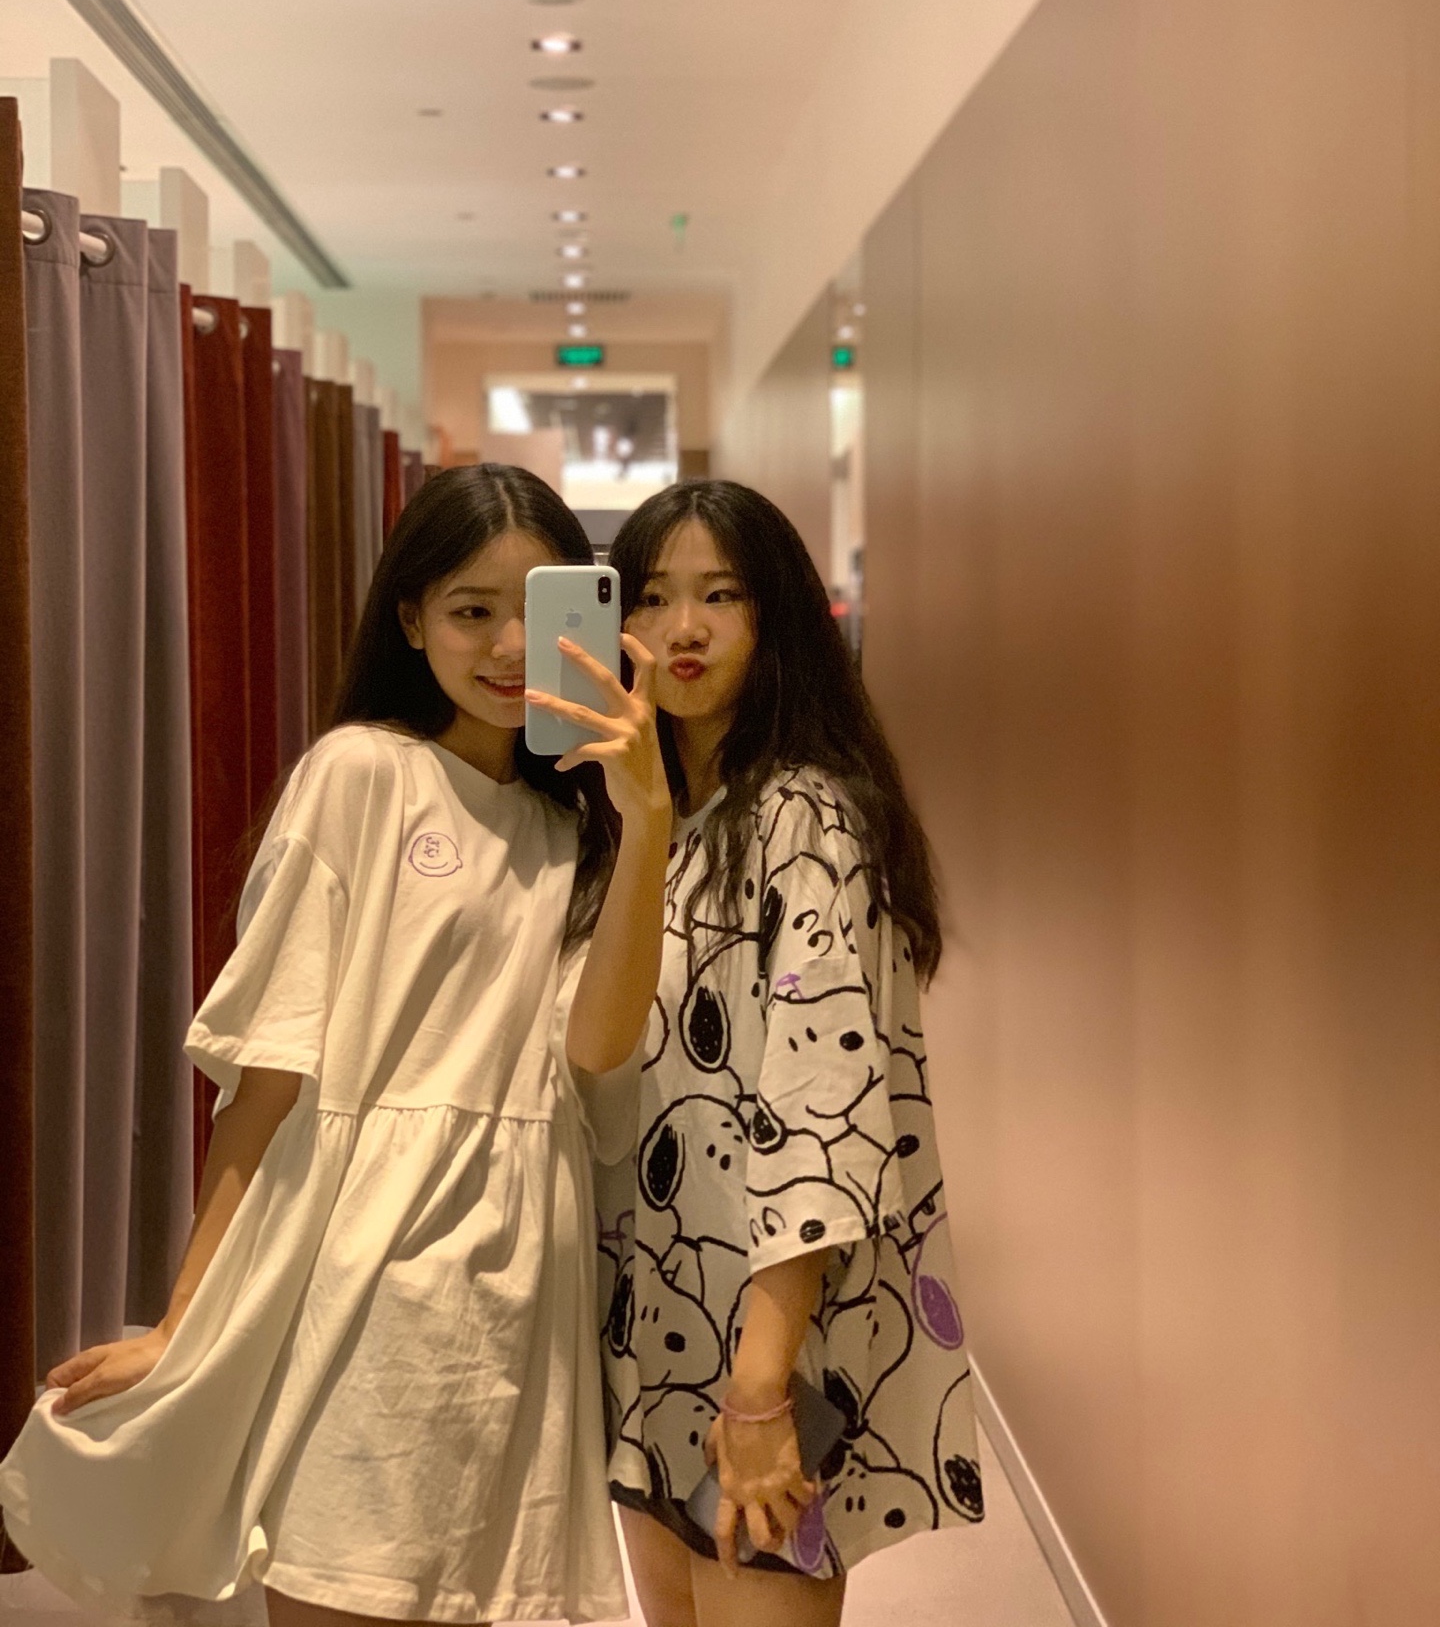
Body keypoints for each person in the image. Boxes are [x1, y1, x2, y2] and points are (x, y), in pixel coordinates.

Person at [0, 464, 672, 1626]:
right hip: (372, 1270)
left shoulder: (581, 827)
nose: (509, 646)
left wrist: (648, 814)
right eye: (470, 609)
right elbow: (269, 1075)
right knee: (336, 1581)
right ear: (410, 618)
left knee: (491, 1597)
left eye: (538, 610)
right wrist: (183, 1321)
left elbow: (596, 1055)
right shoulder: (362, 773)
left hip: (527, 1278)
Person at [595, 479, 983, 1627]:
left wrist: (763, 1388)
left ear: (777, 619)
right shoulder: (656, 813)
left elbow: (822, 1113)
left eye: (722, 595)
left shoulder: (805, 818)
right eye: (653, 596)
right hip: (656, 1325)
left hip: (769, 1341)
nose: (683, 628)